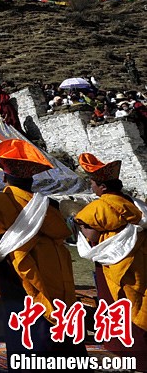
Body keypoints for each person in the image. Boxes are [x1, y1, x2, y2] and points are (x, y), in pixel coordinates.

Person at [0, 139, 87, 360]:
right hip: (56, 271)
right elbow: (62, 232)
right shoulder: (48, 205)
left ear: (4, 176)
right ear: (32, 178)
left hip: (16, 275)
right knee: (59, 318)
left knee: (27, 323)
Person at [73, 153, 147, 364]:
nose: (92, 187)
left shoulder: (100, 206)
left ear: (103, 187)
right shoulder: (135, 204)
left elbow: (93, 236)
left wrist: (77, 225)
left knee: (119, 303)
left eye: (93, 183)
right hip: (138, 260)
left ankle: (126, 351)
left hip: (113, 264)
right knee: (140, 299)